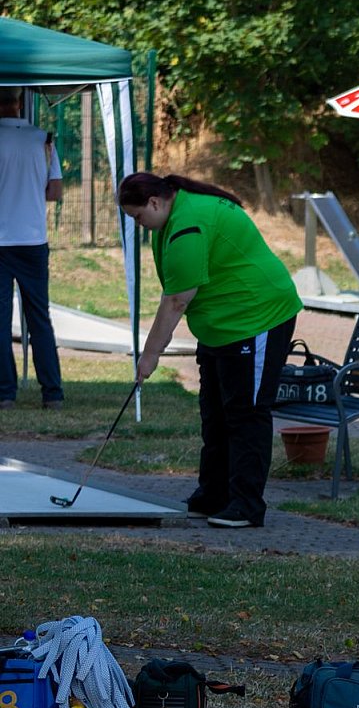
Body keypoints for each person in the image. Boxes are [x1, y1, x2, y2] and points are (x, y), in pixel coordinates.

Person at [118, 172, 301, 528]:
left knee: (246, 413)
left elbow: (176, 301)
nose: (140, 225)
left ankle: (246, 505)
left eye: (138, 217)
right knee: (215, 413)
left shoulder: (189, 224)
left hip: (256, 317)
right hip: (221, 326)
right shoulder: (175, 216)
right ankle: (214, 495)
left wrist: (150, 355)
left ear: (154, 202)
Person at [0, 87, 64, 410]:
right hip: (33, 240)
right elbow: (54, 192)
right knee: (39, 317)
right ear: (20, 102)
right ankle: (52, 392)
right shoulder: (44, 140)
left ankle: (5, 393)